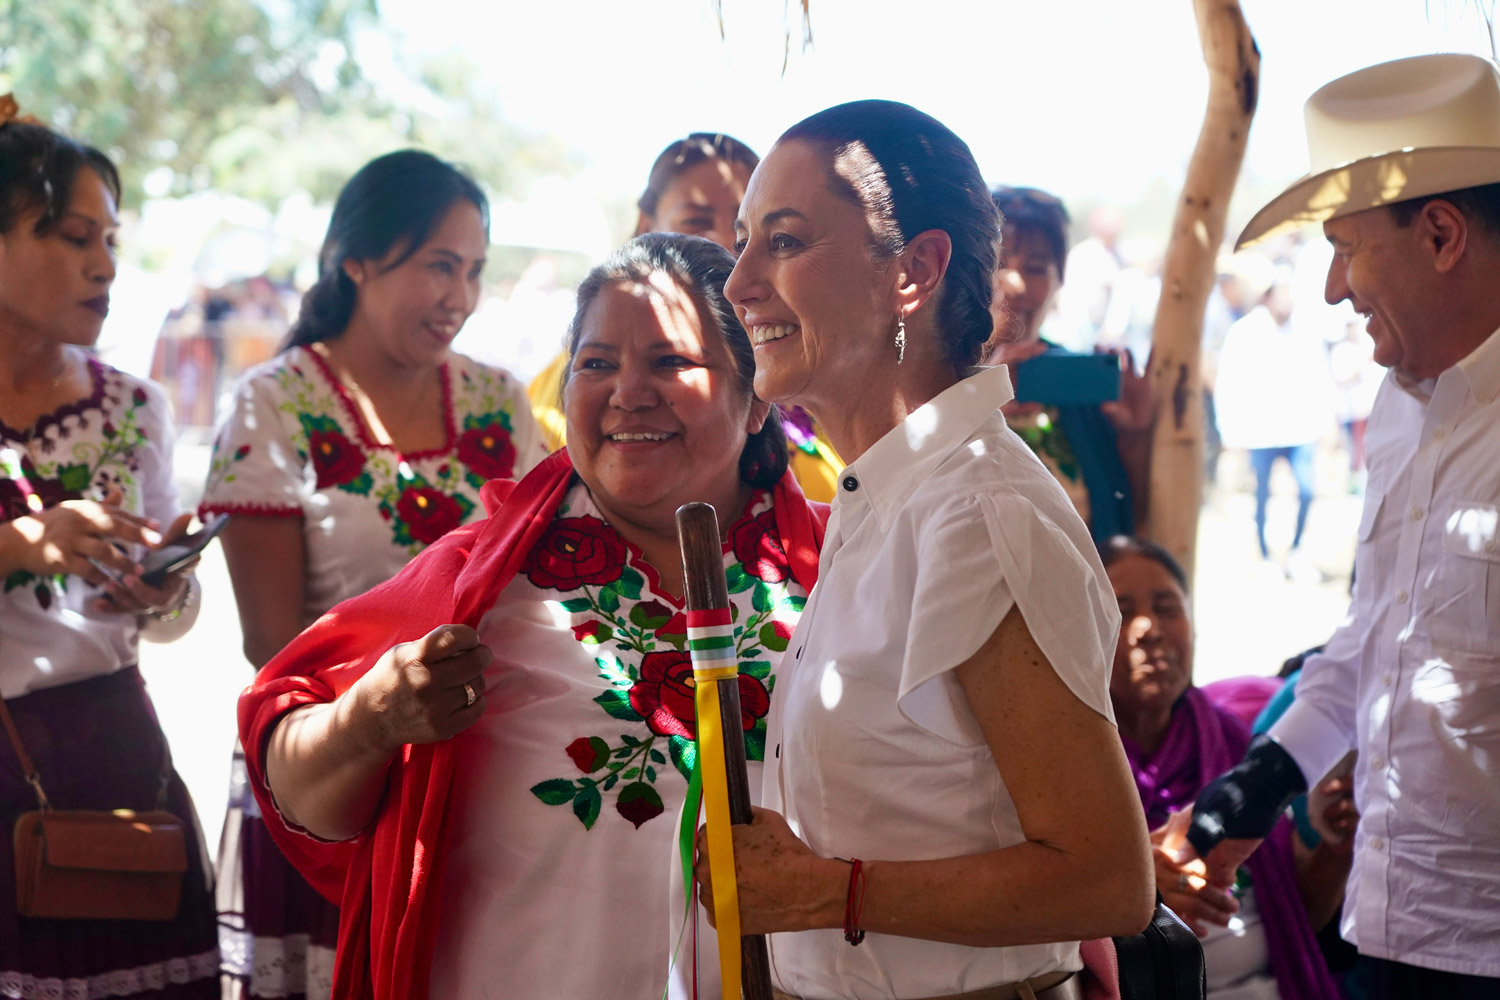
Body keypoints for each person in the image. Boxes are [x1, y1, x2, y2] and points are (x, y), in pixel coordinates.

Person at [235, 233, 827, 998]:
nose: (628, 391)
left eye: (671, 361)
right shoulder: (479, 583)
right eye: (597, 363)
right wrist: (372, 721)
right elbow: (289, 774)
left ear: (756, 401)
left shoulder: (840, 568)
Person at [697, 100, 1153, 1000]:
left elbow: (1106, 878)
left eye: (783, 241)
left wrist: (828, 892)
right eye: (745, 242)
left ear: (915, 269)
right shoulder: (888, 496)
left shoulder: (977, 513)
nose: (739, 281)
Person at [1181, 53, 1500, 999]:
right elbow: (1377, 633)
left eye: (1347, 247)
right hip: (1393, 924)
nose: (1331, 288)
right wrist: (1261, 786)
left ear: (1440, 233)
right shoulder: (1404, 405)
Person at [199, 149, 546, 999]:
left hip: (475, 789)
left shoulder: (500, 403)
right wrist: (376, 719)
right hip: (330, 787)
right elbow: (269, 644)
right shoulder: (275, 403)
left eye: (472, 271)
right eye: (437, 265)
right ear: (354, 259)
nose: (458, 297)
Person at [0, 103, 218, 997]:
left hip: (117, 758)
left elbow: (172, 623)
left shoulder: (137, 407)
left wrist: (159, 592)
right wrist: (27, 545)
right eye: (71, 235)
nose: (104, 265)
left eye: (111, 240)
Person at [527, 132, 845, 500]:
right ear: (646, 227)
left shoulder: (806, 371)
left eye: (748, 232)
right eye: (697, 221)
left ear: (756, 404)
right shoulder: (567, 384)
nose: (730, 246)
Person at [1099, 537, 1347, 1000]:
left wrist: (1335, 850)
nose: (1148, 628)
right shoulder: (1074, 767)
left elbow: (1293, 921)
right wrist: (1136, 896)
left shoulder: (1232, 744)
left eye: (1168, 607)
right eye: (1121, 610)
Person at [986, 186, 1154, 542]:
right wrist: (977, 405)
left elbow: (1126, 520)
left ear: (1058, 281)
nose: (1015, 285)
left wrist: (1133, 437)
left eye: (1036, 268)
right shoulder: (927, 388)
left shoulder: (1078, 386)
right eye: (996, 264)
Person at [1213, 265, 1336, 580]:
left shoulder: (1306, 329)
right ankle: (1266, 556)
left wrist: (1327, 420)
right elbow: (1230, 381)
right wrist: (1229, 428)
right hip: (1261, 430)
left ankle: (1295, 551)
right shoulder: (1245, 331)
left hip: (1302, 427)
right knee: (1262, 494)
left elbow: (1321, 376)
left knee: (1307, 490)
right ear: (1267, 296)